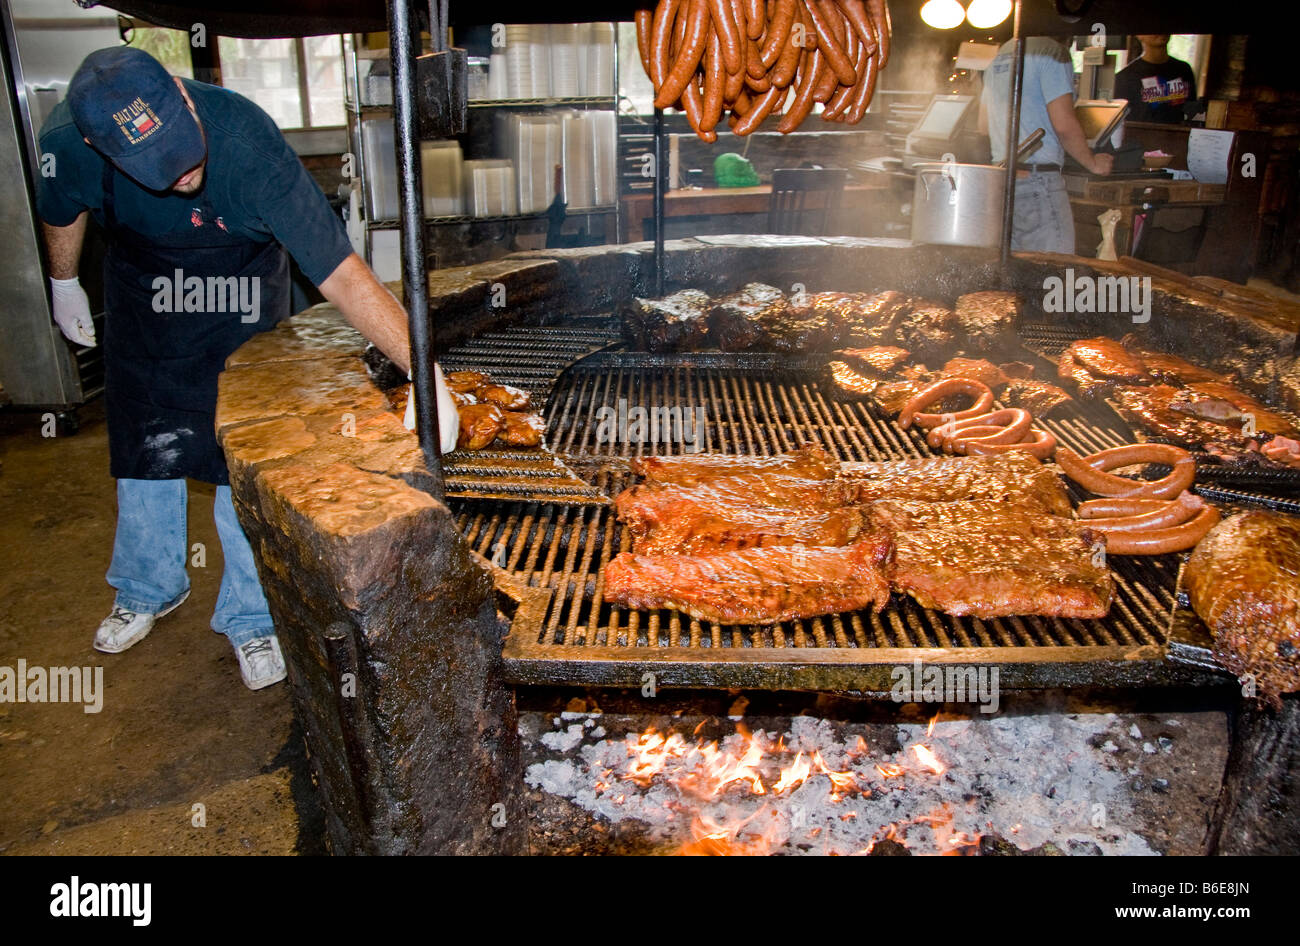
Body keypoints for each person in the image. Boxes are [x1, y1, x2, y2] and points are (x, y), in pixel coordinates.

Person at [37, 47, 457, 690]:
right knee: (144, 442)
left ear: (182, 96)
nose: (184, 174)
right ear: (101, 149)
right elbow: (61, 209)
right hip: (143, 292)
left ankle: (250, 614)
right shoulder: (68, 141)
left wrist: (425, 377)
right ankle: (148, 587)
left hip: (240, 294)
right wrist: (64, 284)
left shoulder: (249, 144)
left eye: (187, 153)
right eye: (160, 169)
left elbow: (343, 276)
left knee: (246, 448)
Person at [979, 36, 1114, 254]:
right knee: (1053, 273)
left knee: (1014, 276)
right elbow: (1063, 125)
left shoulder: (1002, 53)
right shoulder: (1052, 52)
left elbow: (983, 124)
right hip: (1037, 181)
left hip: (1003, 181)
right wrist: (1093, 163)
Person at [1114, 35, 1196, 124]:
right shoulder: (1125, 76)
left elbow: (1192, 109)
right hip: (1142, 135)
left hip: (1177, 135)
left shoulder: (1183, 69)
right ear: (1139, 36)